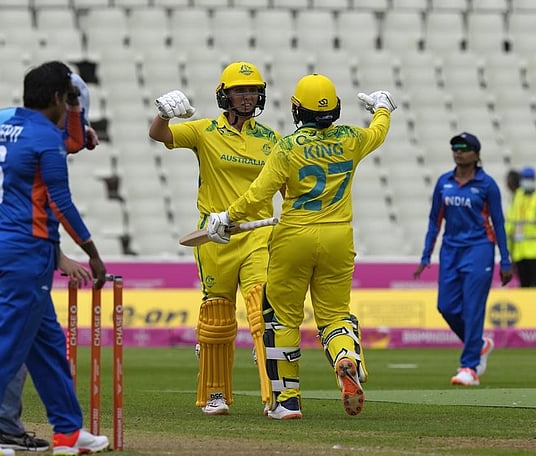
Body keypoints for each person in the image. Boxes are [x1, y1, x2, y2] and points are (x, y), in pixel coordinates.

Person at [207, 74, 396, 419]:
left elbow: (258, 195)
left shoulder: (287, 147)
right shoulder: (352, 138)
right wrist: (382, 107)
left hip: (294, 237)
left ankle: (287, 401)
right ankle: (345, 357)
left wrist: (226, 216)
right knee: (335, 315)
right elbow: (379, 132)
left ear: (297, 110)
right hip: (339, 237)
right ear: (335, 108)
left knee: (282, 319)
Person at [0, 61, 109, 456]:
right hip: (26, 251)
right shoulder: (45, 137)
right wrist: (92, 252)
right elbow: (61, 202)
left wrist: (73, 111)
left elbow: (66, 143)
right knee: (4, 346)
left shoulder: (8, 125)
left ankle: (68, 431)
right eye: (67, 99)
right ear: (57, 98)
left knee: (48, 343)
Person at [148, 61, 280, 415]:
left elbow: (289, 184)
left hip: (256, 234)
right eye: (240, 91)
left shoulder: (272, 140)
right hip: (215, 238)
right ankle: (215, 394)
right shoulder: (205, 130)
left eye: (252, 91)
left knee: (261, 311)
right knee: (217, 319)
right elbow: (160, 135)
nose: (247, 97)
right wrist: (163, 115)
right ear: (225, 96)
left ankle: (276, 397)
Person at [413, 132, 513, 387]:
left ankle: (469, 367)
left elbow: (498, 223)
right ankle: (479, 344)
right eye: (455, 147)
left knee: (473, 307)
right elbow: (434, 220)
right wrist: (426, 254)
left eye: (464, 148)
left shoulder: (487, 184)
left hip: (479, 249)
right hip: (450, 250)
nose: (458, 151)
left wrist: (505, 260)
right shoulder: (443, 182)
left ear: (476, 154)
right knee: (445, 306)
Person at [505, 166, 536, 287]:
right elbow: (510, 224)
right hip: (519, 252)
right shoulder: (517, 197)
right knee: (524, 285)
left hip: (534, 252)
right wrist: (509, 250)